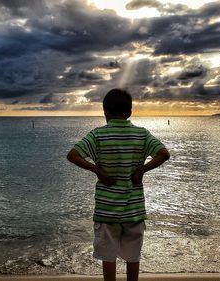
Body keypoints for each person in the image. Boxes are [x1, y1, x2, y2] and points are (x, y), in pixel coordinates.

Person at [67, 88, 170, 281]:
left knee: (108, 257)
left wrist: (98, 171)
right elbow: (164, 153)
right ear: (130, 112)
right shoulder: (142, 134)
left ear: (105, 112)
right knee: (133, 257)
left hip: (107, 211)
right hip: (134, 210)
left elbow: (73, 155)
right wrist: (141, 171)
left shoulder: (98, 135)